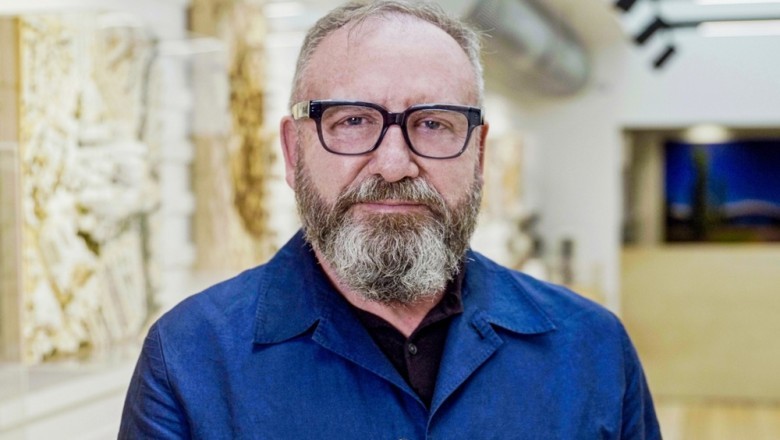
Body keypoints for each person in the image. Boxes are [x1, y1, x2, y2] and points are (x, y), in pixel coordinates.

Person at [119, 1, 661, 438]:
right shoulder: (190, 359)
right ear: (292, 151)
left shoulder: (591, 350)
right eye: (353, 120)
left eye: (434, 124)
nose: (395, 164)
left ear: (478, 153)